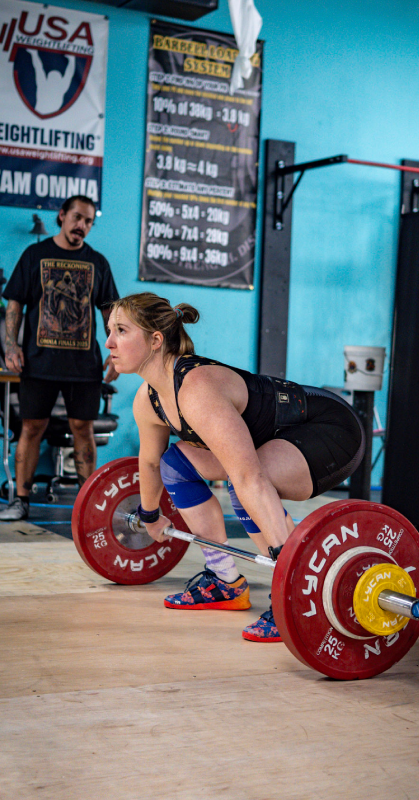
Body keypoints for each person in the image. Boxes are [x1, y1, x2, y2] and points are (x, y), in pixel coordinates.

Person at [105, 292, 365, 642]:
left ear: (155, 340)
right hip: (273, 440)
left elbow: (248, 476)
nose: (108, 342)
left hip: (328, 428)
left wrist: (286, 565)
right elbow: (150, 462)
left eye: (120, 330)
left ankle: (291, 592)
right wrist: (149, 516)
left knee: (245, 483)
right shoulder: (148, 400)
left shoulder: (195, 388)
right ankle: (225, 580)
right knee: (176, 464)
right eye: (109, 330)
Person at [0, 195, 119, 521]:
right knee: (31, 427)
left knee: (83, 428)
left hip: (84, 366)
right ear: (62, 216)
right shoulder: (34, 255)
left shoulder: (97, 263)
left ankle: (88, 506)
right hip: (38, 362)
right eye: (78, 217)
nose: (82, 225)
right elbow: (14, 305)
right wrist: (11, 346)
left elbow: (111, 314)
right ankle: (20, 501)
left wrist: (116, 354)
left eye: (89, 221)